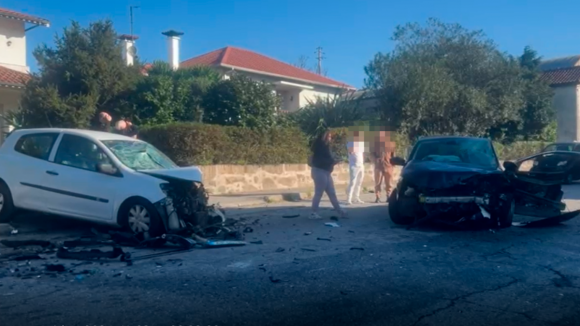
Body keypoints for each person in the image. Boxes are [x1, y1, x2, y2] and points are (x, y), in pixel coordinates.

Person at [309, 130, 347, 220]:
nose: (330, 138)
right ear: (324, 136)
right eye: (329, 136)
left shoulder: (325, 147)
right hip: (319, 171)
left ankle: (340, 211)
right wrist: (334, 161)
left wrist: (333, 161)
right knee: (319, 193)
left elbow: (327, 159)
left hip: (325, 172)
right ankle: (313, 213)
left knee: (332, 193)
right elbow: (323, 160)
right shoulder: (321, 147)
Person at [371, 130, 395, 203]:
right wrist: (375, 160)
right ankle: (377, 197)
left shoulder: (391, 144)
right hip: (379, 167)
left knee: (389, 183)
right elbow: (371, 154)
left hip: (388, 166)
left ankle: (388, 196)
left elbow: (393, 155)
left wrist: (393, 165)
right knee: (377, 183)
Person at [346, 130, 365, 205]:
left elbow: (362, 154)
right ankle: (349, 199)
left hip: (361, 165)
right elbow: (351, 151)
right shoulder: (350, 143)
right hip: (354, 165)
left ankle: (356, 197)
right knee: (353, 182)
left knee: (359, 182)